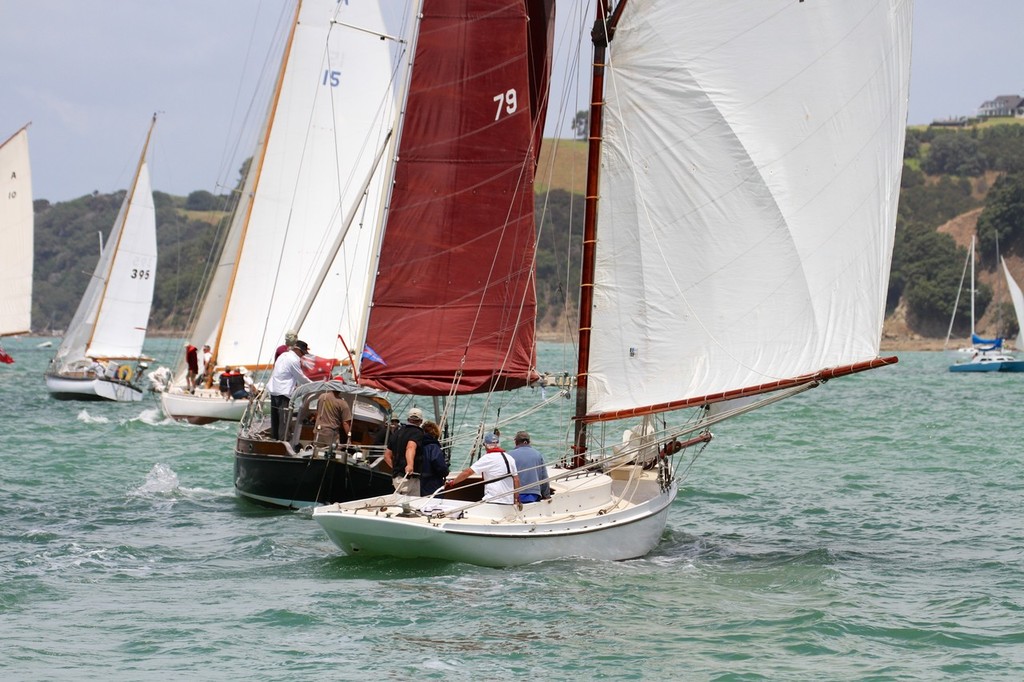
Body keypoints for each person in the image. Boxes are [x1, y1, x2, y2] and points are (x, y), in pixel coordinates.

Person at [446, 432, 520, 505]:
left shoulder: (487, 458)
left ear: (486, 445)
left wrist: (452, 483)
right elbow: (516, 480)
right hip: (509, 501)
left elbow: (467, 472)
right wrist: (516, 499)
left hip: (493, 499)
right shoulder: (510, 458)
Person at [266, 340, 312, 440]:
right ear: (297, 350)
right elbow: (300, 377)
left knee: (275, 419)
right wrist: (314, 385)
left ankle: (275, 439)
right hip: (283, 393)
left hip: (274, 391)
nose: (302, 355)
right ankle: (283, 442)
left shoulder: (283, 356)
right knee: (284, 420)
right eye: (302, 353)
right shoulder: (293, 360)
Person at [384, 407, 426, 496]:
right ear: (421, 421)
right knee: (412, 505)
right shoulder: (417, 432)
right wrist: (410, 465)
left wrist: (396, 468)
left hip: (397, 477)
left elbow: (387, 456)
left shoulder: (397, 432)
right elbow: (410, 447)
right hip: (409, 477)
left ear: (408, 419)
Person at [509, 430, 550, 503]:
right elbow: (544, 478)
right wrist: (547, 496)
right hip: (534, 495)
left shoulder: (509, 455)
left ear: (516, 442)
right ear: (529, 441)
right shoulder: (538, 454)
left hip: (516, 496)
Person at [419, 421, 450, 497]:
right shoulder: (433, 447)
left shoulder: (418, 446)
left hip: (420, 482)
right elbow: (440, 466)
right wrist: (446, 471)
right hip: (432, 483)